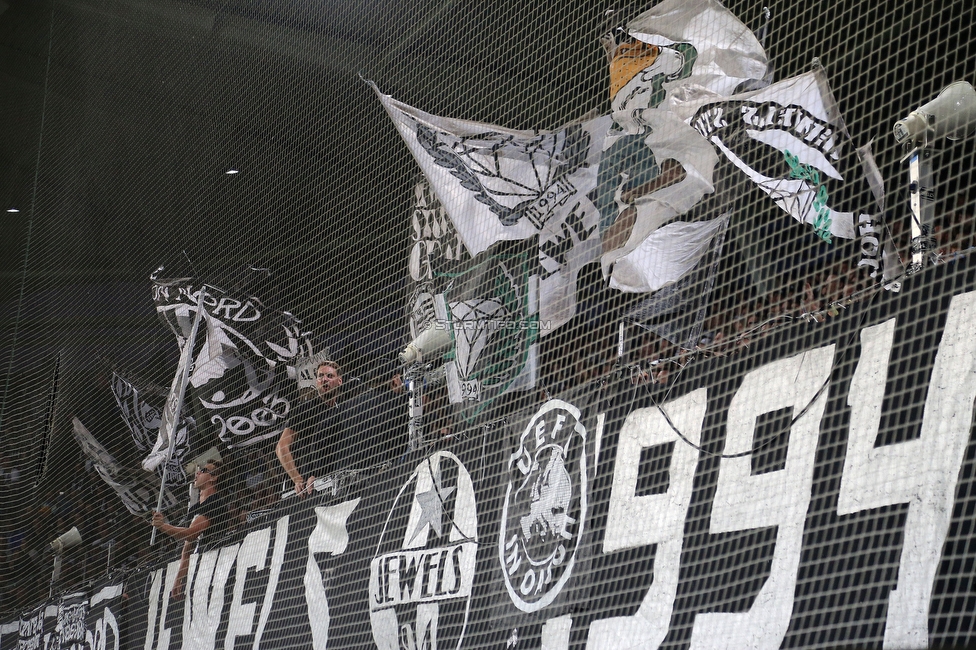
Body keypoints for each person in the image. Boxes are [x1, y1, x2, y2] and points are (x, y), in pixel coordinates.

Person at [151, 459, 227, 598]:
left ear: (214, 478)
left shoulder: (216, 502)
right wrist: (178, 581)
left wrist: (163, 526)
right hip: (201, 568)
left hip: (217, 565)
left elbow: (191, 534)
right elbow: (187, 550)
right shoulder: (194, 509)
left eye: (203, 471)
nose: (197, 473)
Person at [276, 361, 346, 497]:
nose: (324, 379)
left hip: (336, 478)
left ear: (339, 381)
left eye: (330, 376)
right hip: (310, 486)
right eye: (320, 376)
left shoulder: (343, 408)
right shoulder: (305, 409)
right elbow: (282, 446)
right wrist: (297, 479)